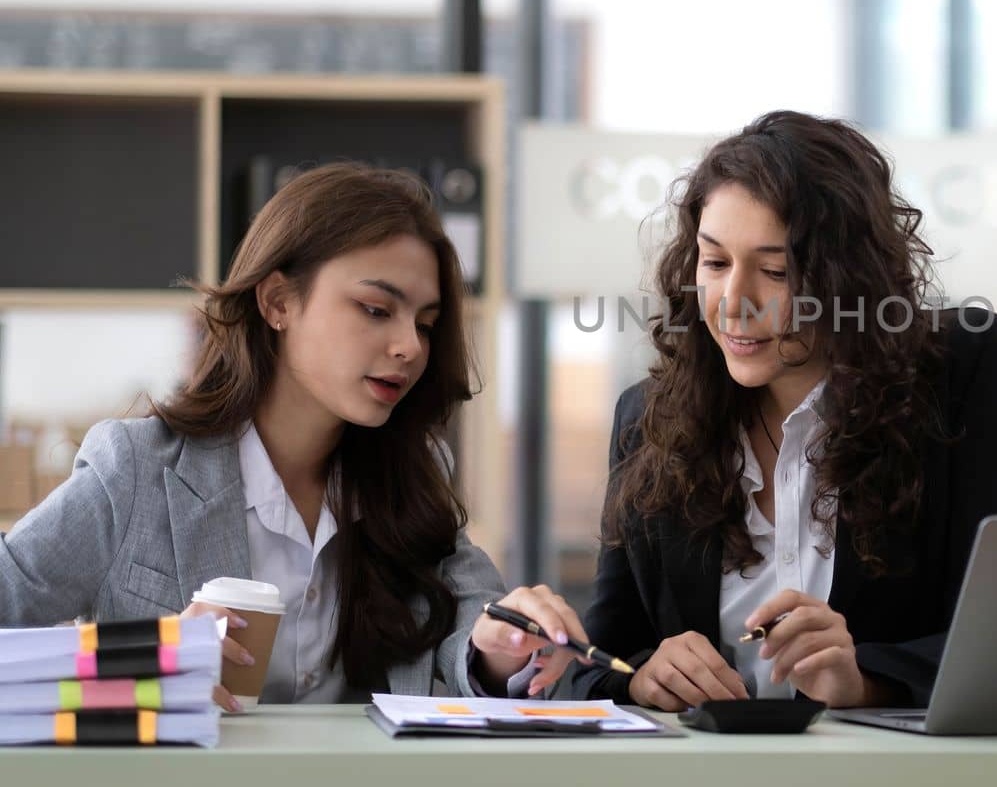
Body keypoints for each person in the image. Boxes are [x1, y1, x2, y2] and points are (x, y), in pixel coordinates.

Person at [0, 164, 584, 709]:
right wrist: (136, 663)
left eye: (425, 325)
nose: (409, 346)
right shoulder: (136, 467)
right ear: (279, 301)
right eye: (377, 309)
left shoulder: (413, 475)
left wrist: (498, 650)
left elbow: (471, 637)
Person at [570, 111, 997, 710]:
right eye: (714, 263)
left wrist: (866, 680)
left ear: (849, 280)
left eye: (776, 272)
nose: (733, 303)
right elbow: (600, 658)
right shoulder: (647, 421)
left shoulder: (964, 371)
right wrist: (641, 677)